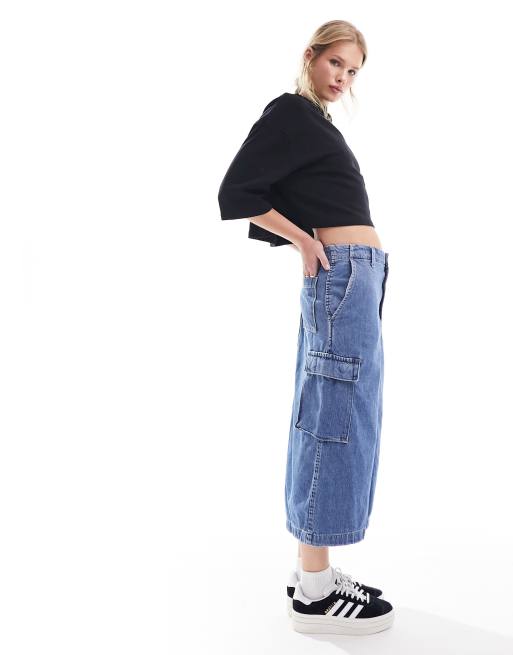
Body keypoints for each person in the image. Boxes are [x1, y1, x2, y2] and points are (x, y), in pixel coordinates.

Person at [217, 20, 393, 636]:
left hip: (354, 278)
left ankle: (311, 570)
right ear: (311, 56)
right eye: (336, 62)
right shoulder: (292, 111)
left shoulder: (316, 123)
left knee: (340, 412)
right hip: (343, 275)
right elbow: (237, 191)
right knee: (333, 417)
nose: (343, 77)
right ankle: (315, 594)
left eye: (354, 70)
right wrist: (302, 240)